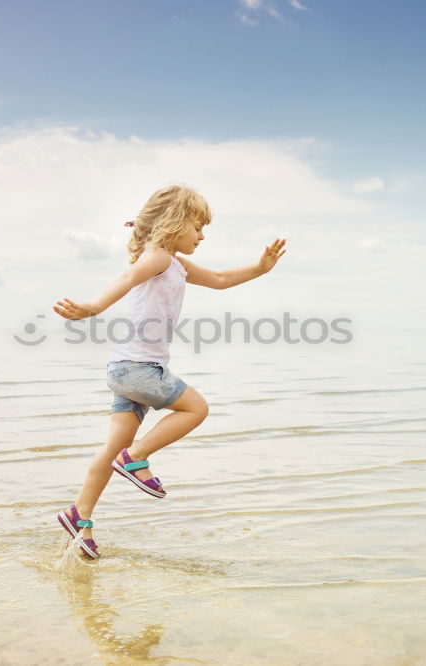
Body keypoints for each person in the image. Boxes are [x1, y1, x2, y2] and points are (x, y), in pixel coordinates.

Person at [53, 184, 286, 559]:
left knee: (112, 447)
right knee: (196, 409)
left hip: (124, 368)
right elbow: (126, 279)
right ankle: (137, 459)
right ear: (175, 222)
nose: (202, 235)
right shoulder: (158, 257)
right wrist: (93, 307)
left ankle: (79, 517)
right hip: (139, 368)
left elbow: (222, 280)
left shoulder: (173, 262)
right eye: (197, 226)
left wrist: (260, 268)